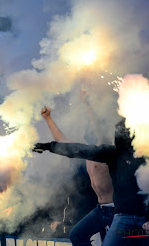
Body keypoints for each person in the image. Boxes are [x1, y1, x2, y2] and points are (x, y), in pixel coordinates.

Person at [34, 118, 149, 246]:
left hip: (139, 216)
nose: (120, 135)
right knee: (77, 235)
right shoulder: (112, 153)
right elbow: (78, 149)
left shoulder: (145, 157)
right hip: (120, 215)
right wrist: (49, 146)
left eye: (123, 132)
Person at [41, 102, 115, 246]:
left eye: (91, 127)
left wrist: (88, 104)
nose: (88, 131)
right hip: (101, 209)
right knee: (77, 235)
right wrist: (48, 118)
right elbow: (62, 141)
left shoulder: (106, 150)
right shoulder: (86, 152)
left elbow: (99, 129)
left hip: (116, 209)